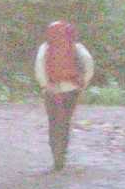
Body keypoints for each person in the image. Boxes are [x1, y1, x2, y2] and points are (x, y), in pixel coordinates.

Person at [34, 20, 94, 171]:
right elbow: (88, 63)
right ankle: (63, 154)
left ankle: (56, 156)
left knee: (54, 122)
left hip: (51, 90)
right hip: (71, 89)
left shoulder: (45, 47)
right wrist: (82, 83)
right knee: (65, 121)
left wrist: (45, 85)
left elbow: (39, 65)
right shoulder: (76, 47)